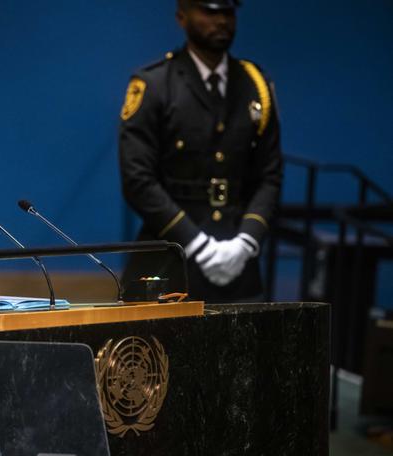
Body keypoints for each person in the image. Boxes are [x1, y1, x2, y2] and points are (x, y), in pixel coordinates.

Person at [118, 0, 282, 302]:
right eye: (209, 11)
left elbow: (270, 175)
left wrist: (246, 241)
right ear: (182, 16)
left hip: (239, 263)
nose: (221, 20)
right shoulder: (155, 83)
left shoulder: (255, 83)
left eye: (228, 12)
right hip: (169, 261)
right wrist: (197, 245)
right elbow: (137, 180)